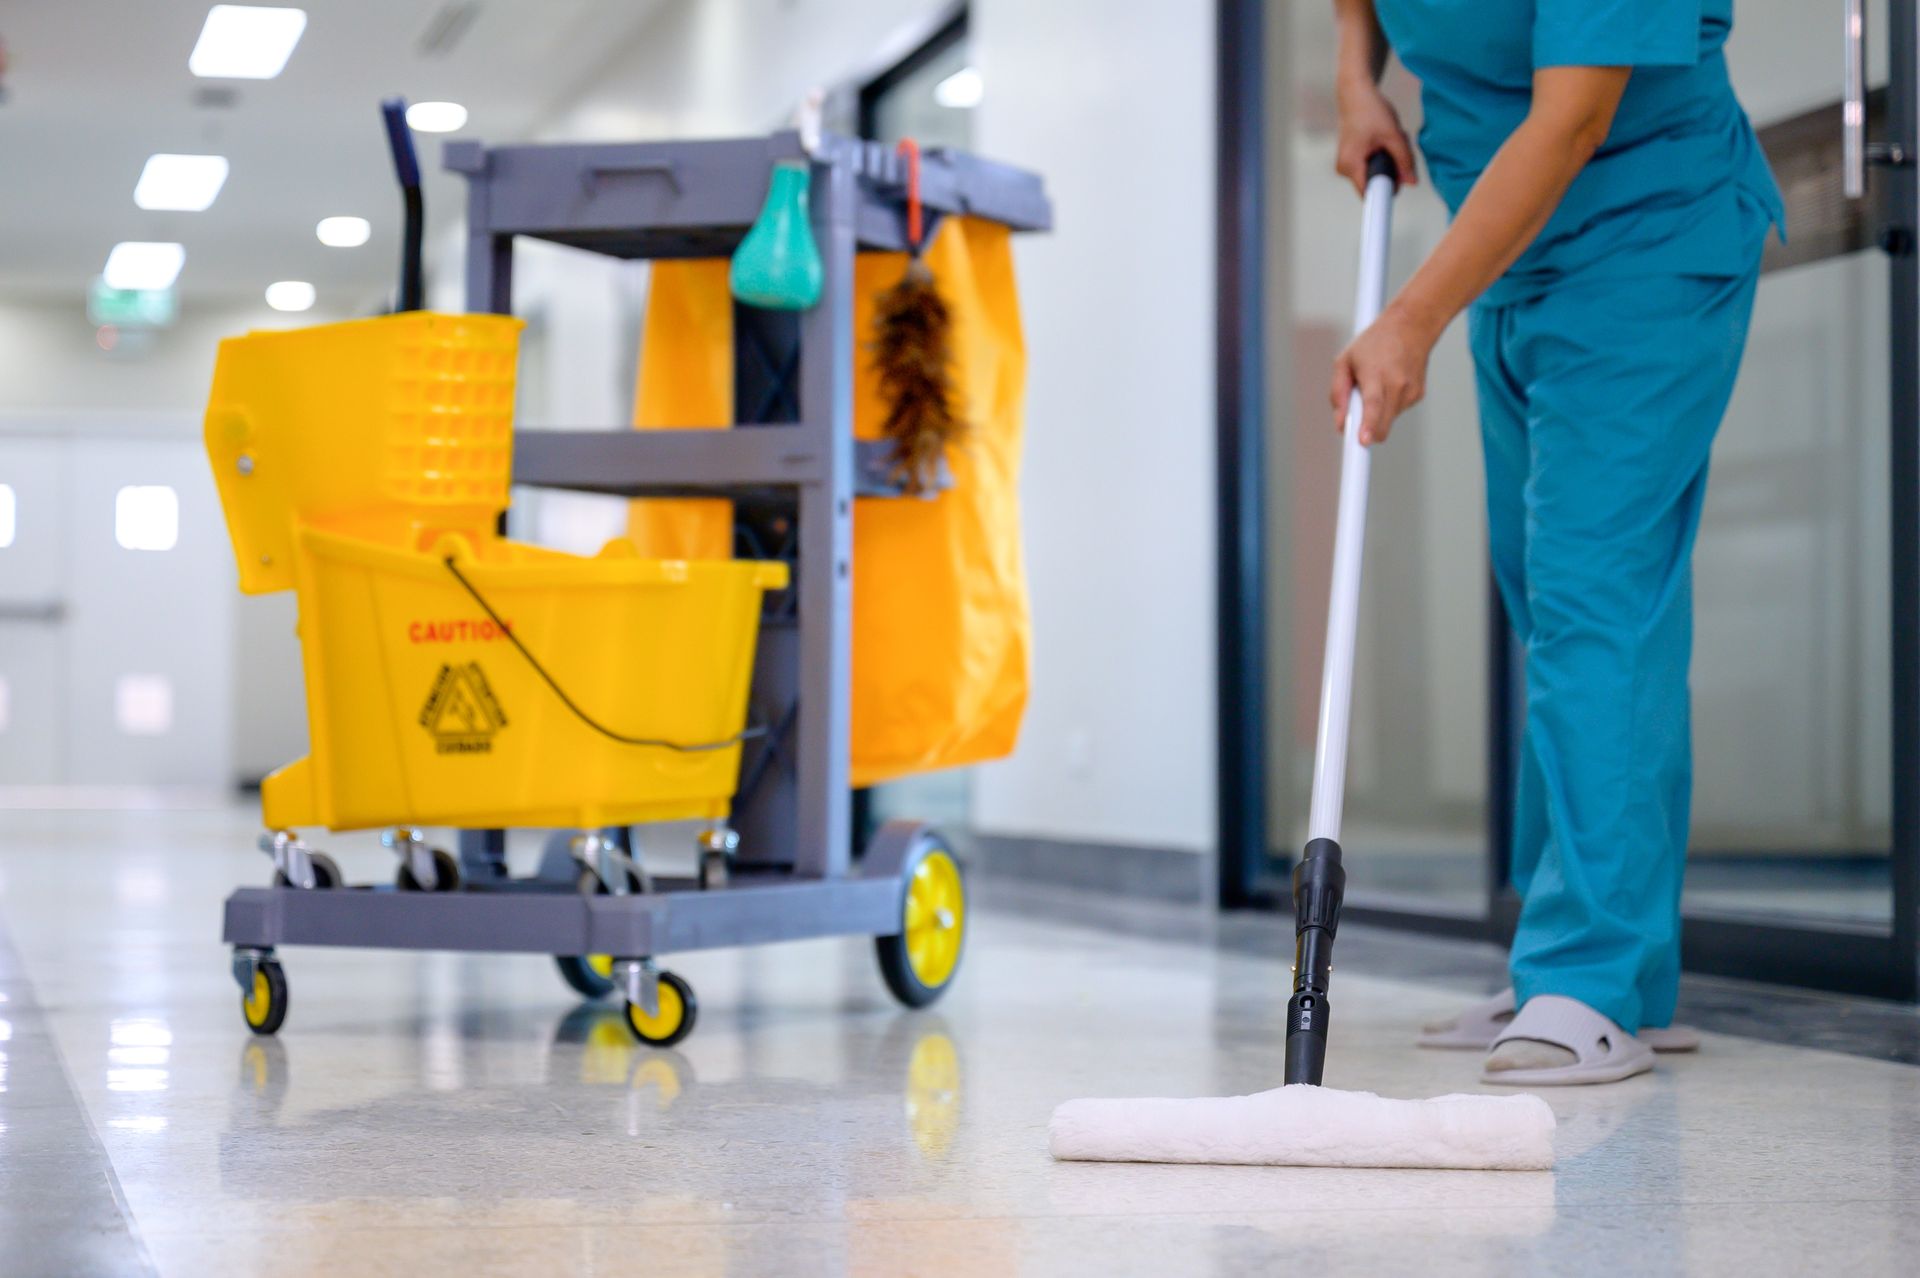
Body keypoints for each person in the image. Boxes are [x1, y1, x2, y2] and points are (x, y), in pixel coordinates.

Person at [1328, 0, 1783, 1084]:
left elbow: (1573, 120)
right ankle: (1585, 972)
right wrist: (1357, 81)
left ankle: (1590, 979)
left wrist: (1412, 317)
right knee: (1550, 606)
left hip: (1648, 242)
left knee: (1594, 600)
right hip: (1518, 255)